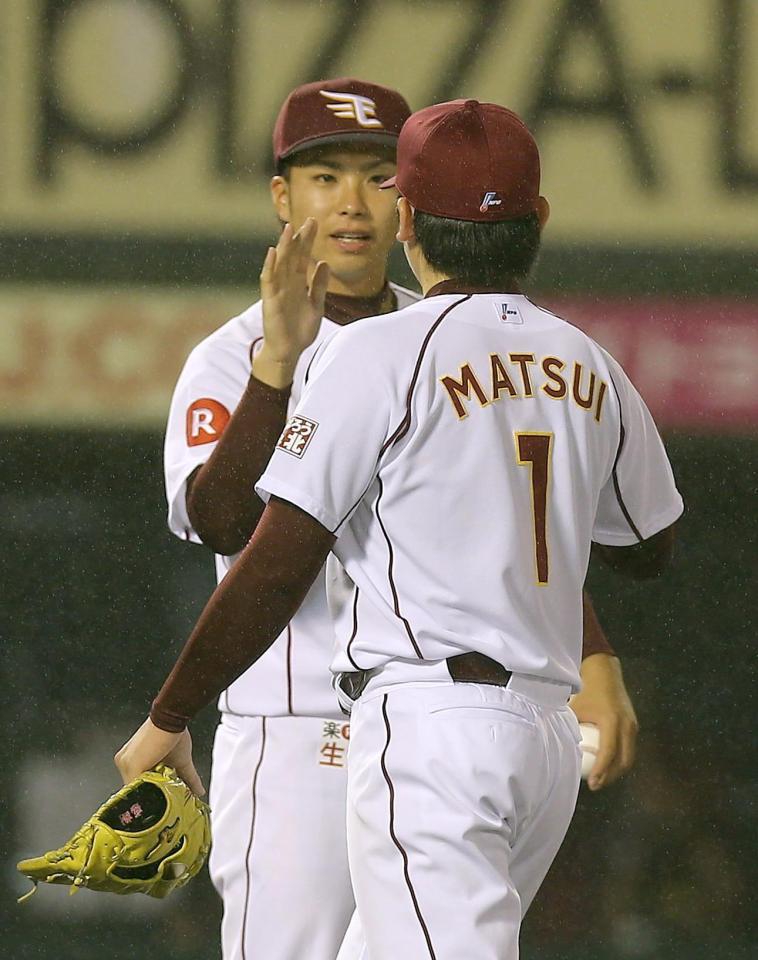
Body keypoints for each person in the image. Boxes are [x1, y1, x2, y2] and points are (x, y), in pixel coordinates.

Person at [154, 88, 645, 959]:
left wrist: (594, 650)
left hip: (424, 724)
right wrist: (275, 369)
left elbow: (502, 521)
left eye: (379, 176)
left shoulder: (459, 346)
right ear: (282, 198)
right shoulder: (229, 354)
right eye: (323, 175)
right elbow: (223, 522)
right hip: (294, 724)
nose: (351, 201)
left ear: (413, 205)